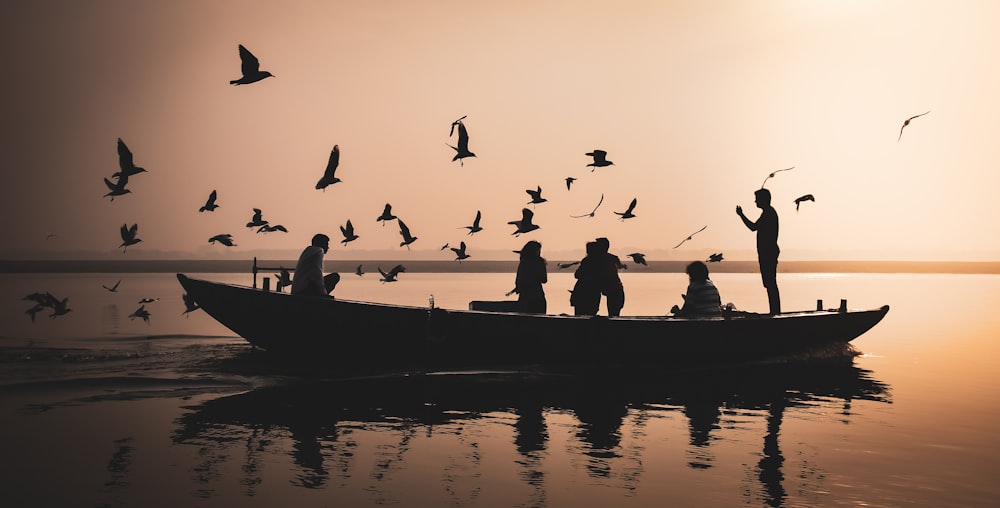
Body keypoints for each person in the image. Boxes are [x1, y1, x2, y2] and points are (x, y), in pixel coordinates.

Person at [737, 188, 781, 314]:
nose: (755, 201)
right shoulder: (767, 213)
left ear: (763, 200)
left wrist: (741, 215)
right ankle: (775, 311)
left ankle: (775, 312)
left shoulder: (769, 213)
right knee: (769, 284)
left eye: (757, 199)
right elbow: (753, 227)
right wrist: (741, 215)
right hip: (766, 253)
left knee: (770, 284)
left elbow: (753, 228)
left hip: (768, 254)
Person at [512, 240, 548, 313]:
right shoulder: (539, 262)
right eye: (538, 250)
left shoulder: (524, 262)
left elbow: (519, 278)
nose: (540, 252)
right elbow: (544, 279)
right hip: (537, 295)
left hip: (525, 295)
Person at [595, 237, 626, 317]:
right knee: (614, 314)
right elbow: (619, 266)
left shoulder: (599, 259)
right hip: (615, 290)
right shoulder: (613, 258)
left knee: (613, 313)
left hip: (613, 290)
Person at [571, 241, 603, 316]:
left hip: (582, 292)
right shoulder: (601, 262)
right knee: (591, 315)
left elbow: (577, 275)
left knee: (579, 315)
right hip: (594, 292)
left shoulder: (587, 261)